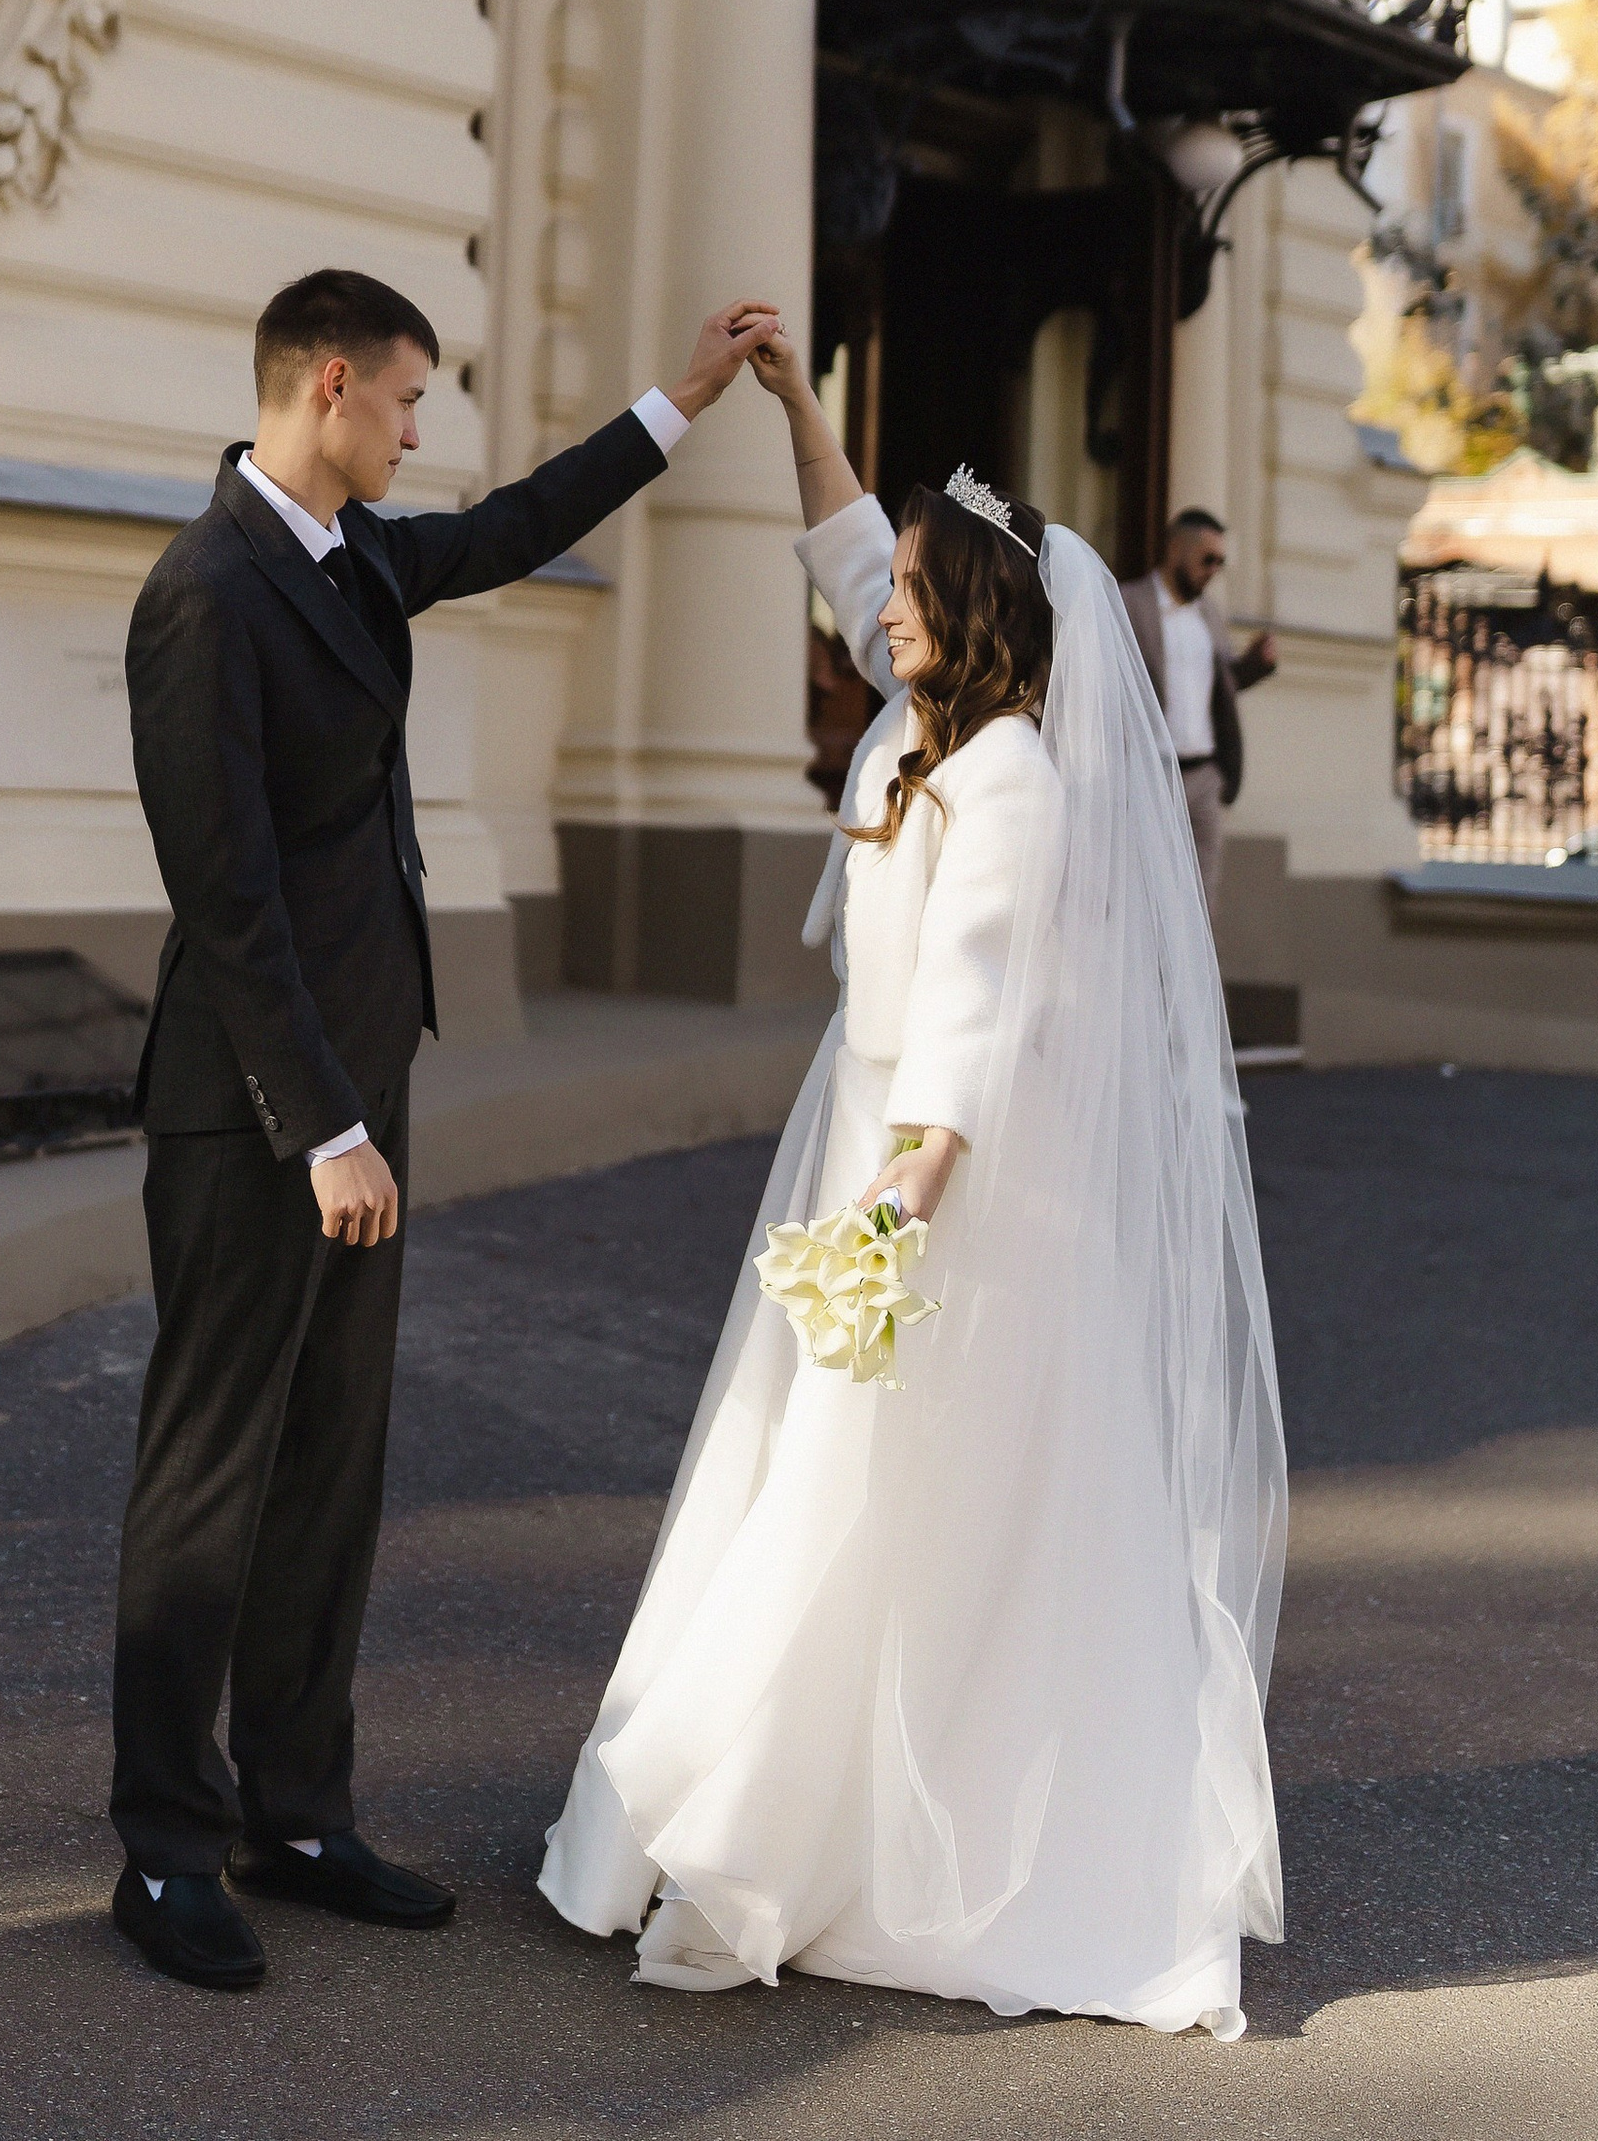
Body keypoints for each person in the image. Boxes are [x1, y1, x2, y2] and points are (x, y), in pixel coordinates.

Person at [540, 335, 1287, 2033]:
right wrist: (804, 407)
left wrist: (888, 1236)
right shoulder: (920, 725)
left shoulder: (1011, 780)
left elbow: (971, 1027)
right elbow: (841, 551)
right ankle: (759, 1800)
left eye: (916, 590)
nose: (882, 605)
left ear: (981, 618)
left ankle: (768, 1834)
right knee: (795, 1476)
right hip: (865, 1139)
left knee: (859, 1497)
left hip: (944, 1198)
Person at [109, 265, 779, 1993]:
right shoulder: (204, 592)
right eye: (408, 400)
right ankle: (169, 1846)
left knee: (333, 1455)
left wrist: (681, 402)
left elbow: (510, 527)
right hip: (259, 1102)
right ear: (329, 385)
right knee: (213, 1469)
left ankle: (300, 1811)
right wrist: (325, 1122)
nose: (422, 430)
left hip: (353, 1087)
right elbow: (229, 895)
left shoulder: (354, 557)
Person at [1121, 507, 1277, 914]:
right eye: (1208, 559)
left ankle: (1192, 980)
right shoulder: (1130, 603)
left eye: (1221, 562)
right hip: (1151, 775)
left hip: (1205, 777)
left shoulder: (1208, 614)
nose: (1215, 570)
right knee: (1145, 898)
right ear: (1176, 549)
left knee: (1200, 903)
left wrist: (1256, 665)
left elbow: (1224, 687)